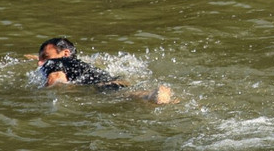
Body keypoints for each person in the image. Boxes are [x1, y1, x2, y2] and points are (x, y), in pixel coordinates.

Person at [30, 37, 174, 105]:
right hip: (113, 78)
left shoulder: (53, 63)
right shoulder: (82, 63)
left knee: (126, 96)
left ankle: (153, 95)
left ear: (66, 53)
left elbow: (56, 78)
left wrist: (40, 93)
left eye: (45, 57)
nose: (40, 62)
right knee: (128, 92)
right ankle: (160, 95)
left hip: (99, 86)